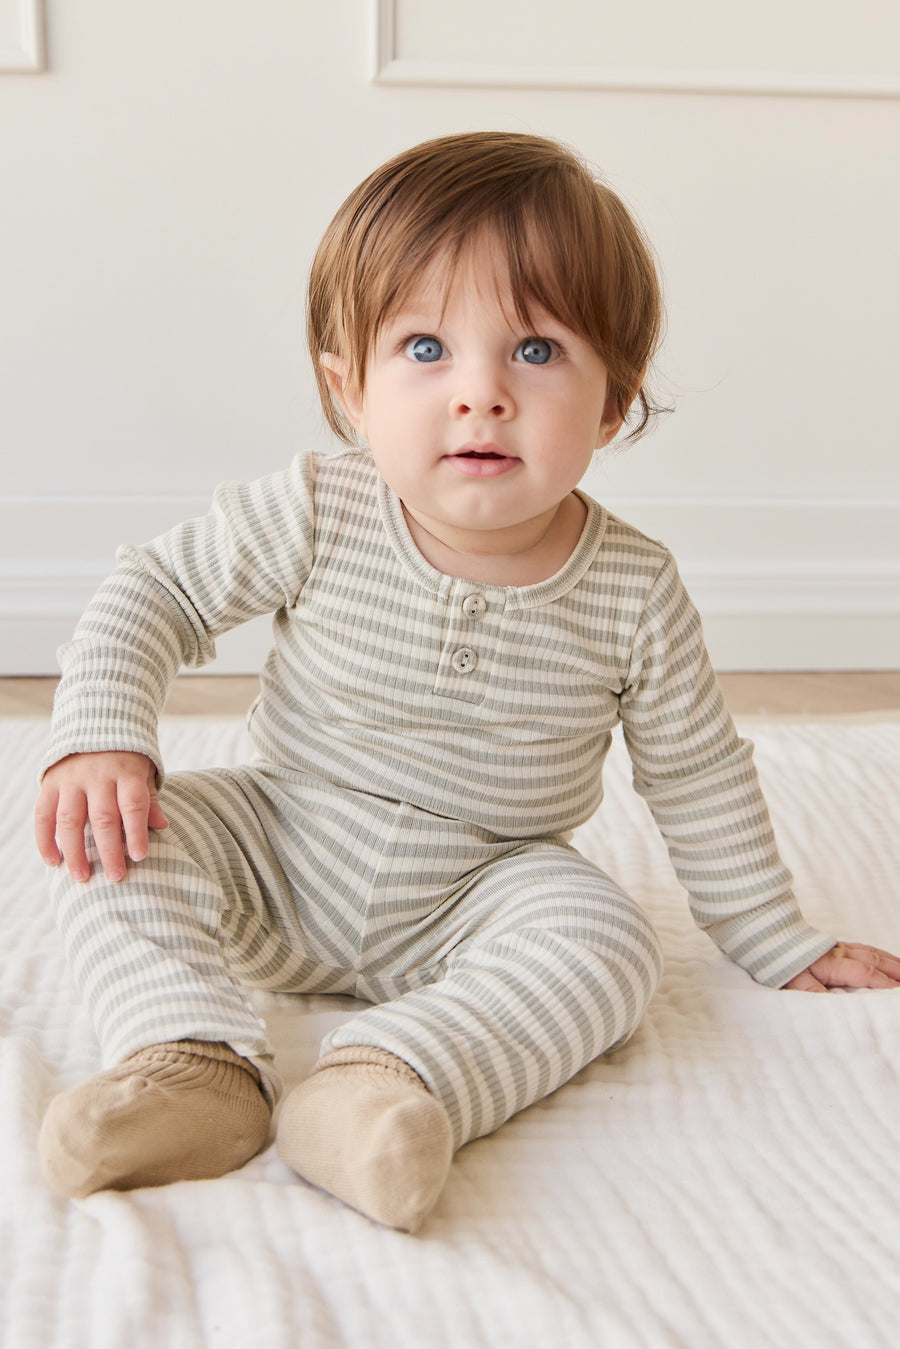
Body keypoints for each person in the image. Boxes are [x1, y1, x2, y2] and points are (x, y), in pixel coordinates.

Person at [34, 131, 900, 1232]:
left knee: (608, 944)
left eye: (536, 350)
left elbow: (695, 773)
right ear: (350, 388)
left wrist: (775, 934)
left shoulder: (633, 587)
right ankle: (193, 1060)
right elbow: (154, 591)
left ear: (614, 401)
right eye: (426, 347)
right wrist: (102, 735)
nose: (481, 394)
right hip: (280, 842)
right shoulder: (319, 505)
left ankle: (384, 1081)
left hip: (483, 886)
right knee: (103, 841)